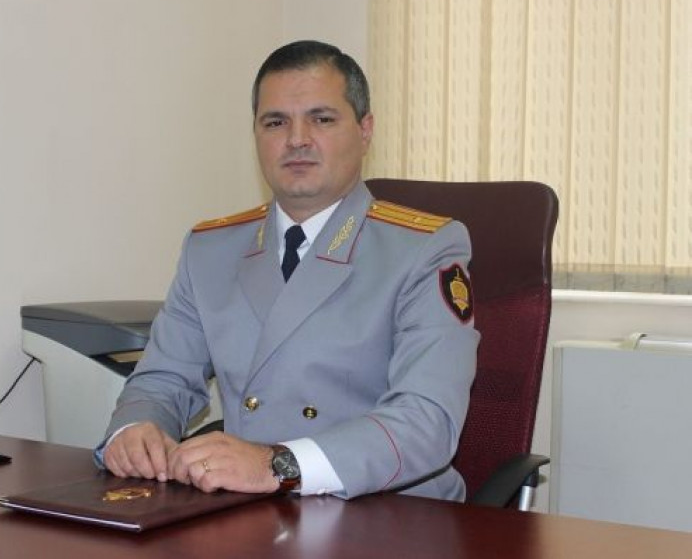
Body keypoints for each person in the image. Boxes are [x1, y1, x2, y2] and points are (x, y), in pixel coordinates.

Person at [96, 40, 479, 501]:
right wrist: (136, 429)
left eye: (322, 119)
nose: (297, 139)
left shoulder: (424, 249)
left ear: (365, 130)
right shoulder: (210, 250)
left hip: (387, 510)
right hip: (248, 509)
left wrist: (277, 465)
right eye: (275, 122)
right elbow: (163, 379)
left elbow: (426, 422)